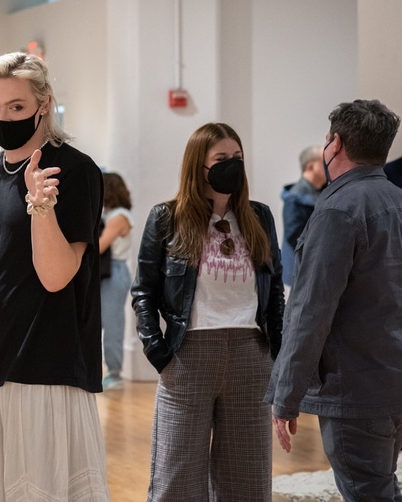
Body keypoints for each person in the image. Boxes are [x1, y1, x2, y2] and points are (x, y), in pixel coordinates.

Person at [0, 52, 109, 501]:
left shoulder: (74, 170)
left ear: (44, 103)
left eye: (16, 107)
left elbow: (56, 276)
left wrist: (40, 207)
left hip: (49, 362)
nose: (3, 118)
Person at [131, 122, 285, 502]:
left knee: (247, 483)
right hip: (188, 357)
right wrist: (158, 352)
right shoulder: (167, 217)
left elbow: (274, 293)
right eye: (221, 159)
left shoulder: (259, 217)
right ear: (198, 165)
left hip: (251, 356)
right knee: (176, 480)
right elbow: (143, 292)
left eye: (237, 158)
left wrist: (279, 358)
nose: (232, 166)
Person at [267, 100, 402, 502]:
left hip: (356, 390)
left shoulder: (338, 211)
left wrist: (284, 395)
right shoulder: (396, 201)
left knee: (369, 492)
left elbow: (310, 312)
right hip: (391, 381)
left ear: (335, 143)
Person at [98, 172, 133, 390]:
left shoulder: (119, 216)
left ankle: (114, 373)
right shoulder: (110, 214)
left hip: (115, 271)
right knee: (105, 323)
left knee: (112, 324)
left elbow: (100, 245)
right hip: (108, 272)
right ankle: (111, 371)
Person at [280, 145, 325, 286]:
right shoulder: (295, 198)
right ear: (311, 167)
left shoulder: (324, 192)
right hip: (302, 273)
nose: (330, 165)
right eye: (325, 162)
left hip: (315, 270)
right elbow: (295, 236)